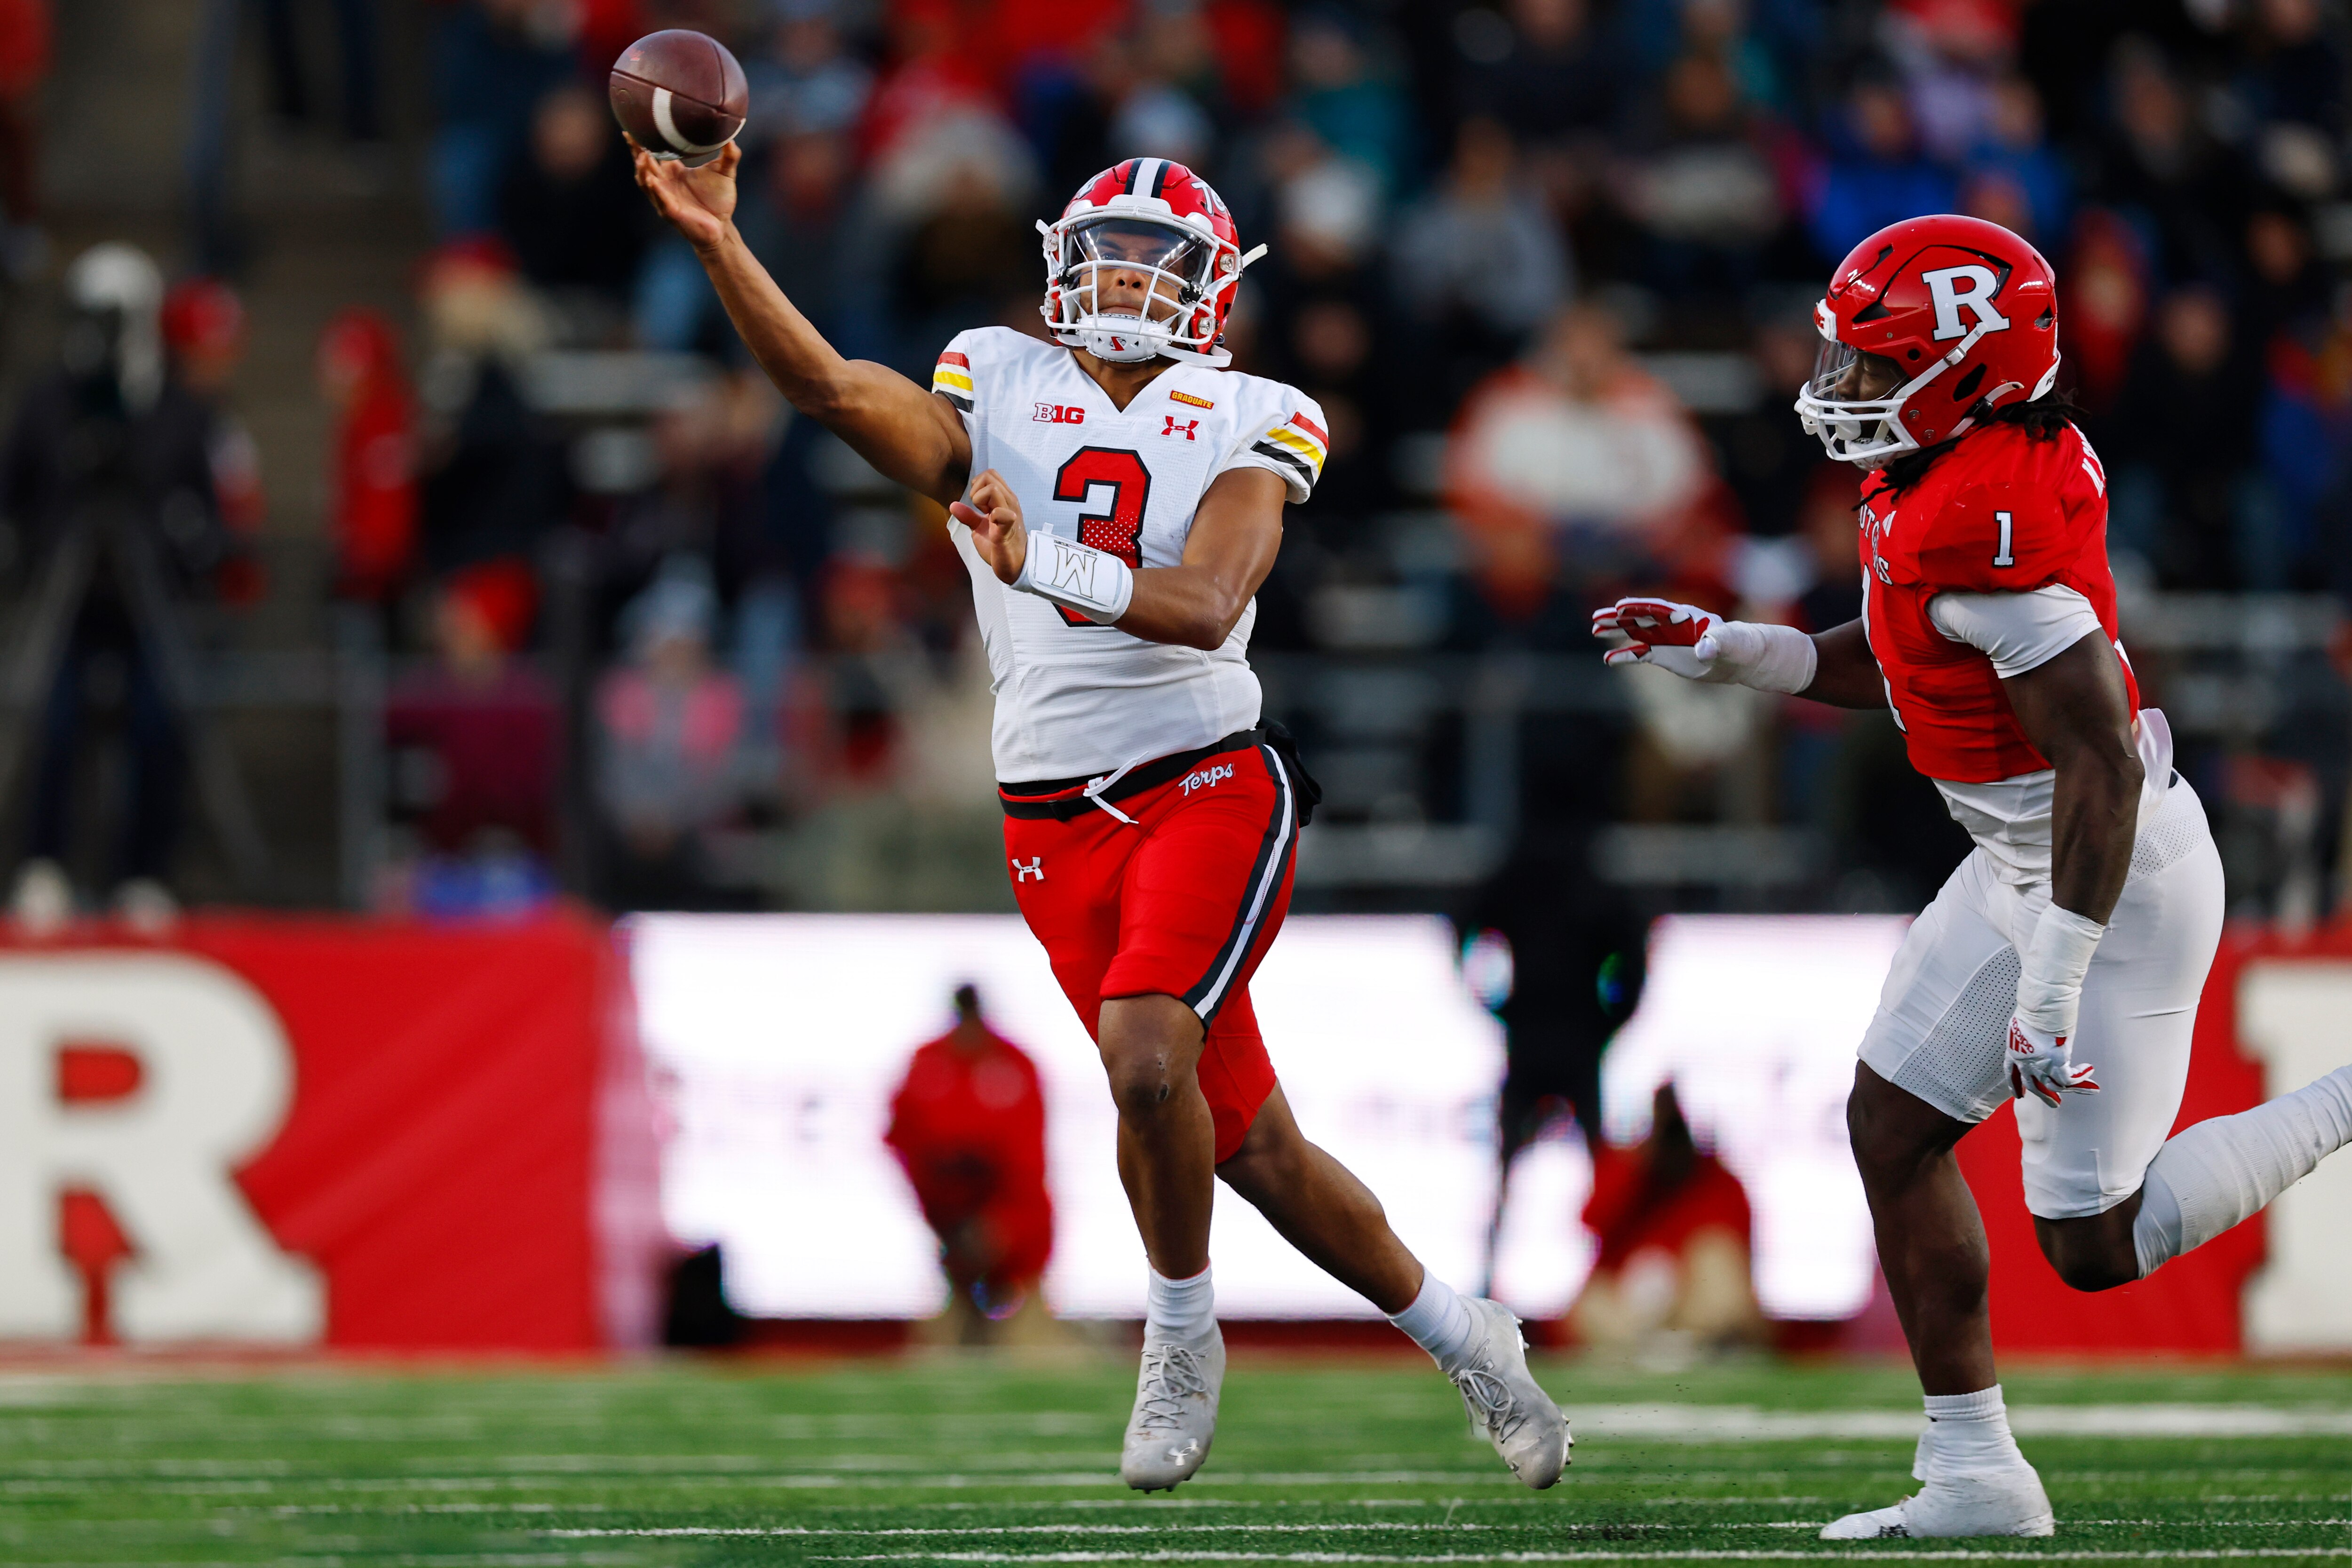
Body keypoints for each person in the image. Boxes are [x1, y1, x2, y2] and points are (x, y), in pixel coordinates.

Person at [633, 144, 1569, 1492]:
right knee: (1255, 1147)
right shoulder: (994, 372)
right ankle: (1460, 1330)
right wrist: (722, 240)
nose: (1127, 276)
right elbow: (834, 392)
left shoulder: (1259, 408)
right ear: (1061, 263)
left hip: (1206, 776)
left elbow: (1203, 603)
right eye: (1107, 250)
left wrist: (1039, 556)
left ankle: (1179, 1336)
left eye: (1160, 258)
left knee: (1144, 1054)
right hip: (1047, 812)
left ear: (1215, 288)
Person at [1593, 213, 2352, 1539]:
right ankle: (1975, 1471)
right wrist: (1724, 645)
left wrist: (2053, 986)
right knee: (1892, 1123)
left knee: (2094, 1244)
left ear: (1969, 369)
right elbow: (1900, 655)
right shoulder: (1943, 476)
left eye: (1878, 367)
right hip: (2024, 849)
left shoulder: (1988, 512)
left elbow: (2101, 764)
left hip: (2111, 875)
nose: (1848, 390)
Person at [884, 983, 1054, 1343]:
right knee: (946, 1338)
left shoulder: (1014, 1066)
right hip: (951, 1224)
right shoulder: (929, 1064)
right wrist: (938, 1211)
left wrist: (1001, 1226)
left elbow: (1029, 1160)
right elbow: (902, 1136)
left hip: (1013, 1224)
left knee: (1025, 1339)